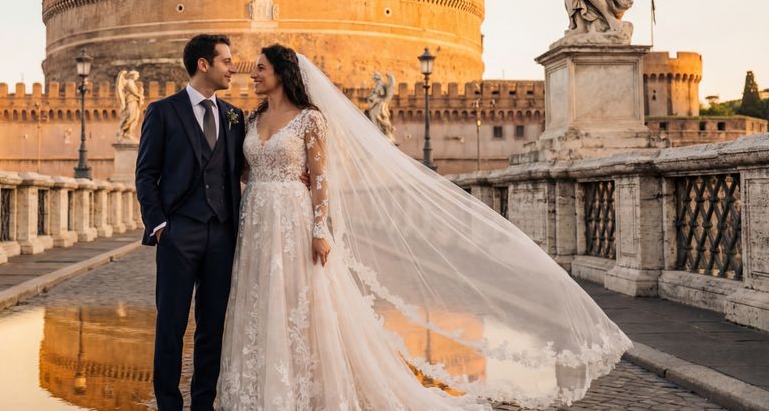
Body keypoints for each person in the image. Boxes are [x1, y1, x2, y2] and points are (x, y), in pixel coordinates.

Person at [216, 44, 632, 409]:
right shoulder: (250, 122)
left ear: (281, 74)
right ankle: (262, 387)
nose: (252, 74)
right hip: (259, 223)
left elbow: (322, 179)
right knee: (263, 300)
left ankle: (306, 391)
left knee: (304, 304)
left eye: (260, 68)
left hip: (294, 219)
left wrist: (320, 229)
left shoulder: (311, 119)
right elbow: (246, 173)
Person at [135, 35, 246, 410]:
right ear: (204, 64)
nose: (233, 67)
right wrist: (159, 224)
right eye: (227, 61)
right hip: (178, 231)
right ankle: (168, 403)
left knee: (212, 326)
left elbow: (239, 172)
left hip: (221, 233)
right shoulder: (163, 111)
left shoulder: (234, 117)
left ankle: (203, 403)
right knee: (171, 324)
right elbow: (146, 175)